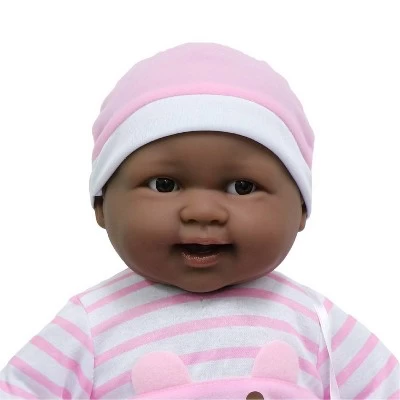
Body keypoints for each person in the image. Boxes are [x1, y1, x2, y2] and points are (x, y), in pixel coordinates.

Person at [0, 43, 398, 400]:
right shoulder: (88, 326)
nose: (202, 211)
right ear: (102, 205)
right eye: (164, 184)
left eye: (242, 187)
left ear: (301, 210)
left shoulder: (314, 320)